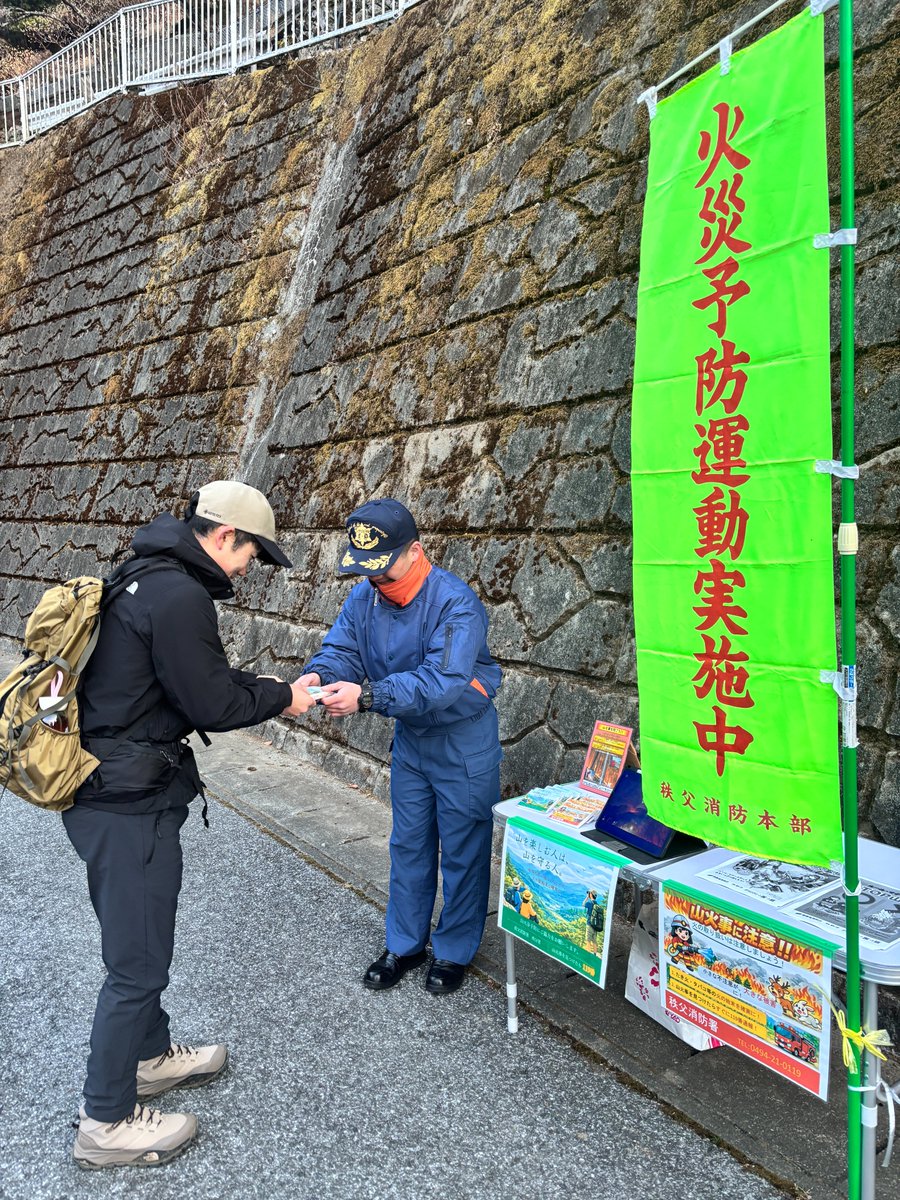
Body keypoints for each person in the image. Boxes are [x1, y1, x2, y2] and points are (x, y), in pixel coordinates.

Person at [62, 481, 316, 1170]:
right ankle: (105, 1122)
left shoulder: (140, 573)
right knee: (136, 963)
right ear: (226, 536)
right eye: (253, 555)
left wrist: (263, 691)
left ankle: (148, 1058)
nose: (249, 570)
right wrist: (287, 696)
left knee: (137, 942)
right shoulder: (179, 594)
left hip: (108, 787)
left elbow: (183, 681)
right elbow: (210, 699)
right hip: (126, 802)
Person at [295, 498, 502, 997]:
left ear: (415, 552)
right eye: (367, 572)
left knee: (462, 849)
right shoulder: (366, 596)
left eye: (384, 570)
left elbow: (444, 679)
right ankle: (405, 944)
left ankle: (453, 950)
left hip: (462, 740)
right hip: (412, 739)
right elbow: (342, 647)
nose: (376, 582)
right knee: (408, 844)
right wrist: (319, 676)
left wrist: (368, 696)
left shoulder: (455, 602)